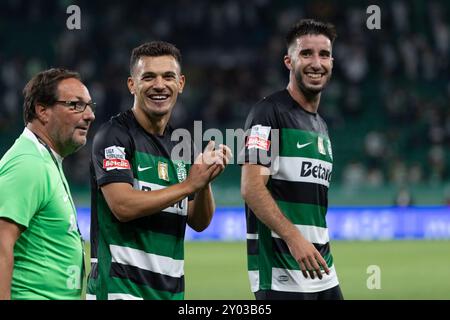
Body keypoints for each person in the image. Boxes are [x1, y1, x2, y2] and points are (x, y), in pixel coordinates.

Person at [86, 41, 231, 300]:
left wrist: (204, 179)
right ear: (132, 84)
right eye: (149, 77)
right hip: (121, 292)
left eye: (168, 77)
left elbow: (199, 222)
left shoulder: (181, 145)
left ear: (181, 83)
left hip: (170, 293)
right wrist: (188, 185)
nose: (159, 85)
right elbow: (122, 206)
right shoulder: (113, 136)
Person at [240, 19, 343, 300]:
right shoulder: (268, 113)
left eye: (324, 55)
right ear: (289, 61)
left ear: (332, 62)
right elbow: (251, 187)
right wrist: (295, 239)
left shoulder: (320, 125)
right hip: (281, 274)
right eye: (306, 53)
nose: (316, 62)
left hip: (322, 268)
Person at [0, 68, 96, 299]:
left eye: (90, 105)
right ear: (42, 111)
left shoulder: (45, 159)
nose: (90, 114)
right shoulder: (28, 164)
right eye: (75, 105)